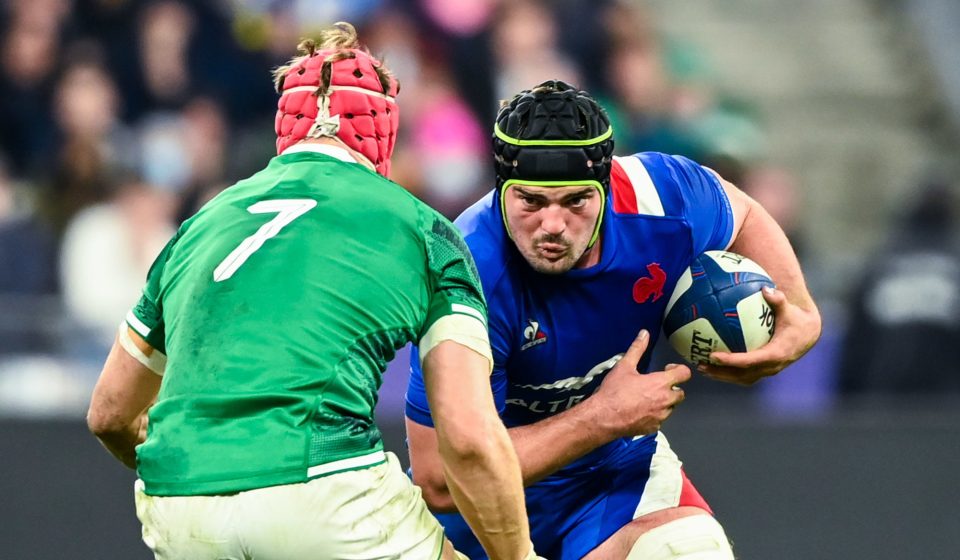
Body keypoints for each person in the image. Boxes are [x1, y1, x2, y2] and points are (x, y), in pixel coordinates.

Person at [87, 22, 540, 560]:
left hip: (181, 504)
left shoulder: (199, 225)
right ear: (383, 129)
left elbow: (110, 414)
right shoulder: (423, 229)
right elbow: (466, 439)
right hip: (324, 489)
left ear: (287, 126)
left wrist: (206, 470)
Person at [405, 80, 822, 559]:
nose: (553, 226)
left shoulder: (658, 196)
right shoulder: (466, 270)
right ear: (501, 190)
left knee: (687, 551)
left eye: (576, 201)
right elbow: (440, 477)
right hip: (479, 510)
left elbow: (743, 214)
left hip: (609, 476)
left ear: (606, 186)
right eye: (531, 202)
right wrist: (603, 417)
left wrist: (803, 313)